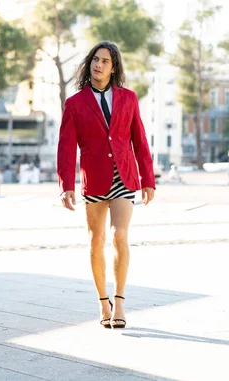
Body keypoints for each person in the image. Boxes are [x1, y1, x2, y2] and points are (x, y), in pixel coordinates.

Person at [57, 41, 156, 329]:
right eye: (95, 60)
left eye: (105, 61)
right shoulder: (75, 103)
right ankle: (103, 302)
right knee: (96, 240)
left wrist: (148, 179)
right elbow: (66, 147)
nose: (98, 65)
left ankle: (120, 301)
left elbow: (139, 139)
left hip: (124, 176)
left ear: (114, 68)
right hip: (94, 179)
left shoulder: (128, 98)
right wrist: (66, 184)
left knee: (119, 235)